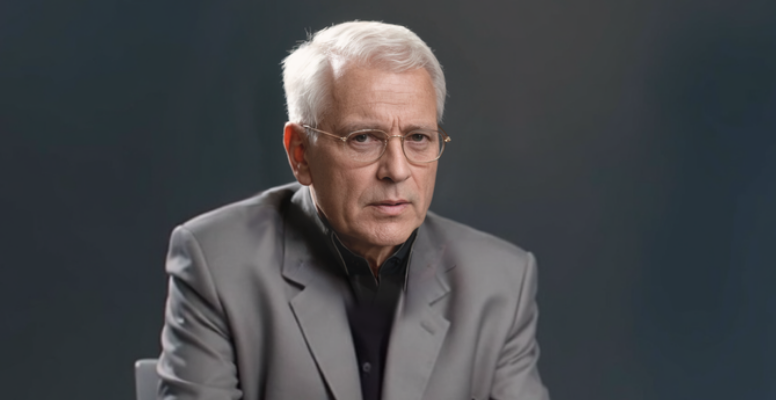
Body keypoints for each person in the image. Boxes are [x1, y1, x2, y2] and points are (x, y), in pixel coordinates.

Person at [157, 21, 550, 400]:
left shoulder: (501, 282)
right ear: (300, 153)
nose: (397, 170)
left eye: (418, 137)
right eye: (363, 138)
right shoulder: (217, 263)